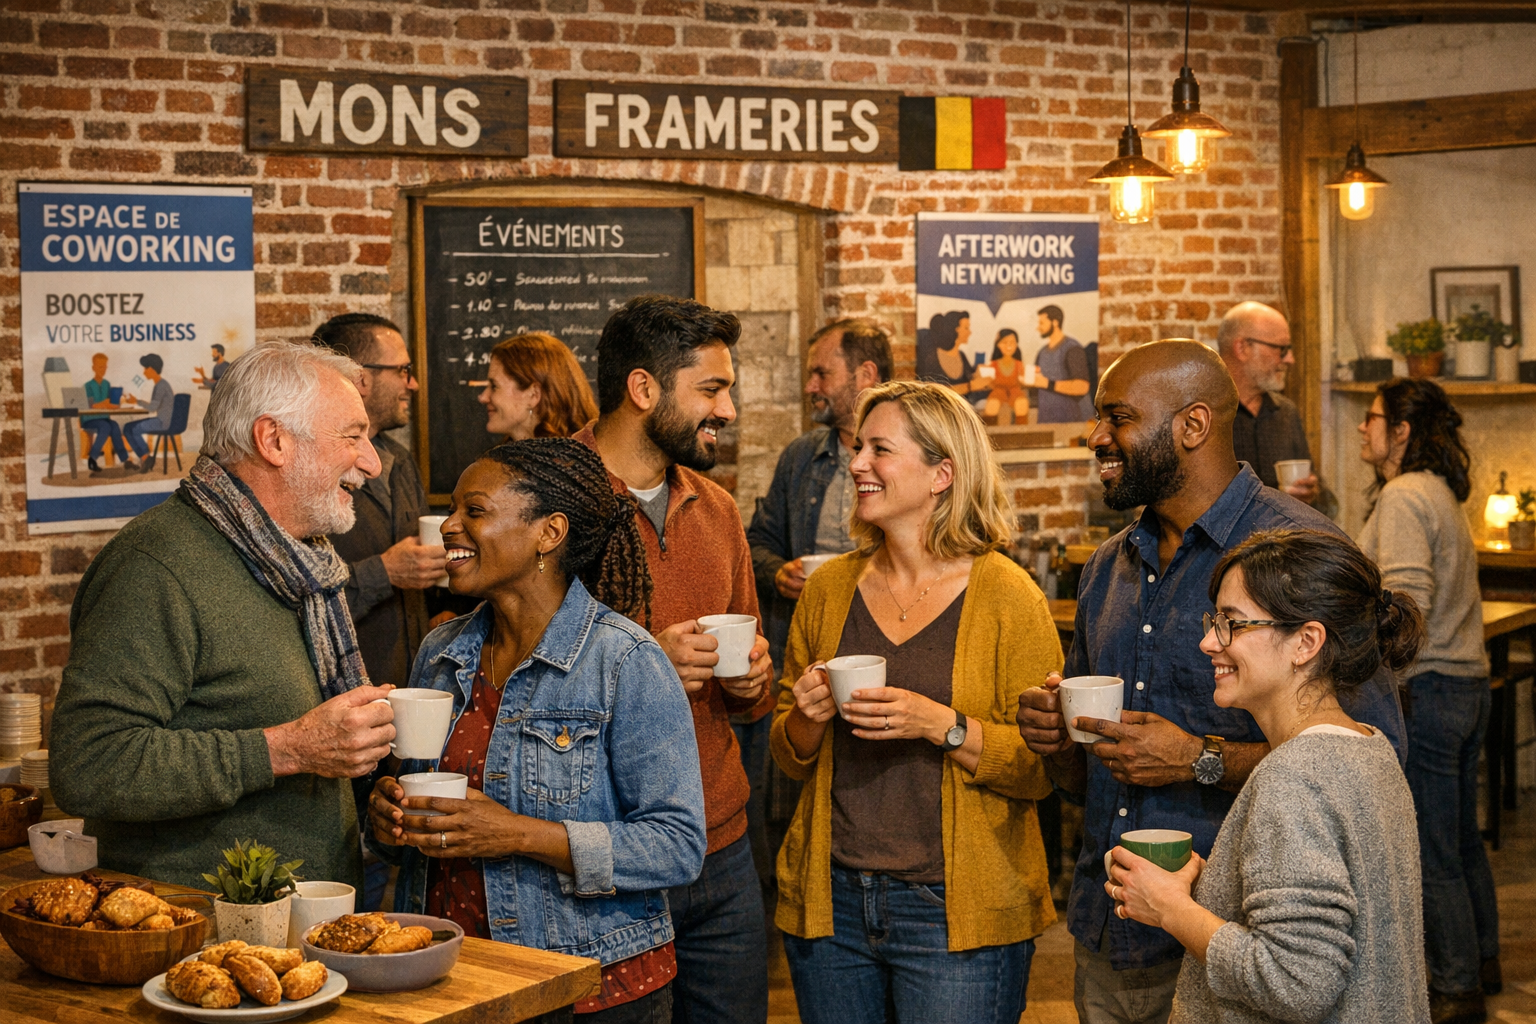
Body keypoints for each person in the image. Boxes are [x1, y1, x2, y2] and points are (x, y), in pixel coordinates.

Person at [1015, 339, 1407, 1024]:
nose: (1097, 436)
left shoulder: (1295, 552)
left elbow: (1371, 758)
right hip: (1109, 934)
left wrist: (1197, 758)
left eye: (1118, 418)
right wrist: (1057, 740)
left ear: (1193, 425)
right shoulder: (1108, 566)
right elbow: (1084, 780)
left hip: (1240, 947)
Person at [368, 438, 707, 1021]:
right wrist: (389, 817)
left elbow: (676, 846)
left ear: (549, 532)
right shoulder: (441, 652)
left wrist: (518, 834)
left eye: (474, 510)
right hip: (453, 975)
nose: (449, 525)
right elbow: (420, 813)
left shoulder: (624, 660)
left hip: (588, 987)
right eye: (452, 509)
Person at [51, 343, 396, 891]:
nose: (372, 462)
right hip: (195, 925)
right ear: (274, 440)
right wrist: (287, 749)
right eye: (352, 436)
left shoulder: (304, 564)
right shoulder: (154, 565)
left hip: (302, 919)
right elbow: (88, 763)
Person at [771, 379, 1059, 1024]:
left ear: (942, 474)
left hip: (954, 909)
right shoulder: (828, 589)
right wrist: (806, 717)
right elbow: (789, 756)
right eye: (858, 448)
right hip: (832, 904)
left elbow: (1043, 769)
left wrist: (942, 725)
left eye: (880, 449)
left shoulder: (1009, 596)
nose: (857, 464)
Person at [1107, 529, 1430, 1024]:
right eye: (1214, 621)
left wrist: (1170, 908)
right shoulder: (1369, 746)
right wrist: (1210, 887)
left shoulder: (1294, 778)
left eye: (1232, 624)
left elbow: (1297, 982)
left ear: (1306, 642)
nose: (1208, 642)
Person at [578, 294, 775, 1024]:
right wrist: (644, 661)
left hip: (721, 851)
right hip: (606, 854)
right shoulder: (541, 500)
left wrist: (753, 680)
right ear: (643, 388)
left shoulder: (717, 508)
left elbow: (754, 697)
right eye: (712, 389)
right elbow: (508, 680)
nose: (728, 410)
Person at [1355, 378, 1496, 1024]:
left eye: (1372, 417)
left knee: (1433, 850)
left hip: (1430, 689)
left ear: (1401, 431)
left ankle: (1458, 989)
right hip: (1466, 684)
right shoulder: (1435, 489)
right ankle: (1482, 961)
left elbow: (1409, 599)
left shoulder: (1406, 493)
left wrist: (1387, 681)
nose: (1363, 428)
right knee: (1460, 839)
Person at [745, 317, 892, 892]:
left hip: (889, 662)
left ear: (865, 374)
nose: (810, 386)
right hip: (809, 660)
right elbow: (758, 541)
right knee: (796, 800)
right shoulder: (802, 458)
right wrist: (776, 572)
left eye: (821, 373)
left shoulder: (911, 460)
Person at [312, 313, 445, 688]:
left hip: (410, 691)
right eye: (403, 370)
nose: (413, 383)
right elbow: (293, 606)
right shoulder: (307, 470)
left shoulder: (400, 459)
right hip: (341, 700)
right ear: (361, 379)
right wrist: (384, 572)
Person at [1216, 301, 1331, 512]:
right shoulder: (1205, 414)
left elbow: (1317, 491)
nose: (1290, 359)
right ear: (1242, 348)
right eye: (1282, 349)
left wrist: (1311, 492)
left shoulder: (1286, 412)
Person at [480, 331, 598, 440]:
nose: (483, 397)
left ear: (534, 395)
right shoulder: (508, 454)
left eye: (494, 386)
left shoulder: (576, 455)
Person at [1030, 304, 1094, 424]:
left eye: (1042, 323)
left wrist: (1048, 384)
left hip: (1072, 422)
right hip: (1046, 420)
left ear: (1055, 322)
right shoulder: (1042, 352)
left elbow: (1082, 387)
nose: (1038, 328)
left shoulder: (1072, 349)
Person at [122, 352, 174, 472]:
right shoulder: (160, 384)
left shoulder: (161, 385)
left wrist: (136, 401)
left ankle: (146, 458)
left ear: (151, 369)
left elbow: (152, 408)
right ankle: (145, 458)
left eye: (145, 368)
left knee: (134, 429)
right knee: (127, 428)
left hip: (162, 422)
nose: (144, 372)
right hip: (160, 420)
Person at [82, 351, 128, 474]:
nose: (103, 369)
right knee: (105, 426)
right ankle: (92, 458)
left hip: (104, 419)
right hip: (89, 420)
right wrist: (105, 403)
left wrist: (117, 403)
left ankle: (125, 459)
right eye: (100, 367)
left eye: (105, 367)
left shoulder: (107, 384)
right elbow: (91, 405)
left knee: (114, 426)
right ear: (93, 368)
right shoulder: (88, 386)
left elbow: (109, 404)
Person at [916, 310, 979, 394]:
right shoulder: (932, 358)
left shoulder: (961, 355)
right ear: (955, 330)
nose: (970, 332)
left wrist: (978, 374)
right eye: (966, 328)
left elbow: (969, 376)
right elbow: (935, 392)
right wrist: (970, 386)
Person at [981, 328, 1030, 424]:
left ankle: (1021, 431)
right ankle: (990, 432)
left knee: (1022, 404)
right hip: (998, 391)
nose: (1008, 346)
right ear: (998, 345)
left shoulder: (1019, 364)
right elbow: (988, 382)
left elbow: (1023, 380)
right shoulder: (993, 364)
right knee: (992, 405)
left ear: (1016, 345)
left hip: (1015, 391)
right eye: (1004, 342)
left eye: (1012, 342)